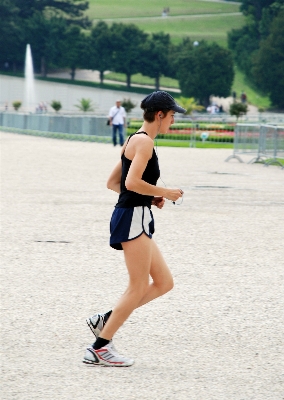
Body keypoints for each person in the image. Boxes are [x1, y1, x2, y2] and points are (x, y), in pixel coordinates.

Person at [83, 91, 186, 367]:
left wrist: (150, 197)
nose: (173, 121)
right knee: (138, 285)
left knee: (164, 282)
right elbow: (130, 183)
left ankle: (106, 319)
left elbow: (113, 183)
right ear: (160, 114)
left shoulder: (134, 139)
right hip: (132, 218)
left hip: (134, 214)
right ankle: (100, 347)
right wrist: (166, 191)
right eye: (173, 116)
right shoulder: (145, 143)